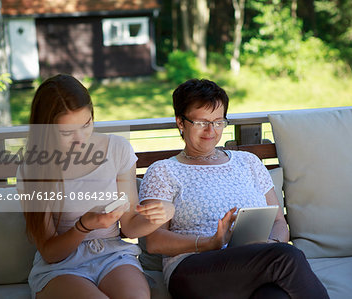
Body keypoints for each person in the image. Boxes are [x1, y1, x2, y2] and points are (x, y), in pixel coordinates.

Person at [139, 78, 329, 299]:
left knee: (275, 295)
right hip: (194, 270)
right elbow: (154, 241)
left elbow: (278, 221)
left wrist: (271, 243)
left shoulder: (247, 162)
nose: (211, 130)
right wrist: (210, 243)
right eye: (201, 122)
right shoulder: (163, 171)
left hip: (255, 264)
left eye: (218, 122)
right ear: (181, 122)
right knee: (286, 256)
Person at [17, 74, 174, 299]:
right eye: (67, 133)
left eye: (86, 124)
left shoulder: (117, 149)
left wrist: (162, 214)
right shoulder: (33, 169)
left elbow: (129, 227)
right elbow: (50, 253)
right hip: (62, 266)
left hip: (113, 254)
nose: (80, 139)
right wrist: (84, 225)